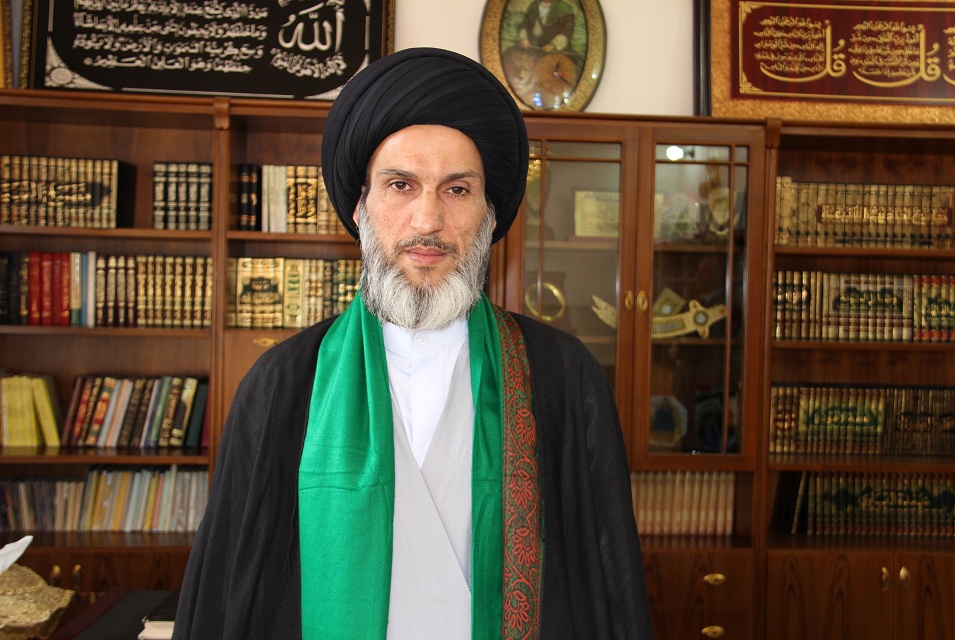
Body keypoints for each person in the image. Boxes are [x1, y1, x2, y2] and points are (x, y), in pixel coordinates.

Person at [173, 47, 652, 640]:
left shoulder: (561, 376)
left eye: (457, 190)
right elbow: (228, 596)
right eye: (401, 185)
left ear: (489, 215)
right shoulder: (283, 383)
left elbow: (608, 587)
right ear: (360, 208)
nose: (428, 221)